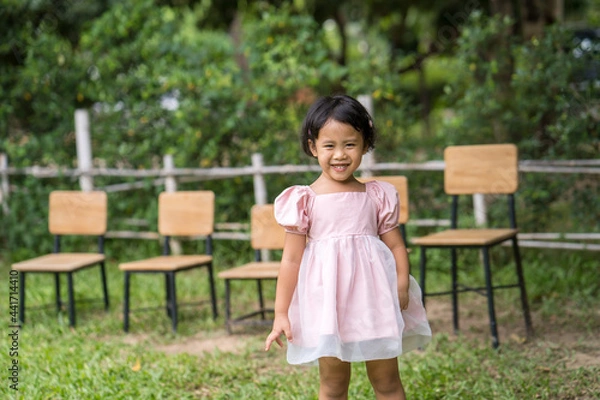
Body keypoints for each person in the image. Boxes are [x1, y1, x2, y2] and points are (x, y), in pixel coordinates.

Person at [264, 94, 432, 399]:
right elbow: (290, 260)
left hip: (374, 304)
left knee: (387, 382)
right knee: (332, 384)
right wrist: (281, 313)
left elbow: (396, 246)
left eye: (350, 144)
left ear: (365, 144)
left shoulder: (376, 195)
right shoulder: (304, 200)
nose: (340, 155)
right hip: (327, 307)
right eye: (329, 145)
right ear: (313, 147)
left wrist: (402, 281)